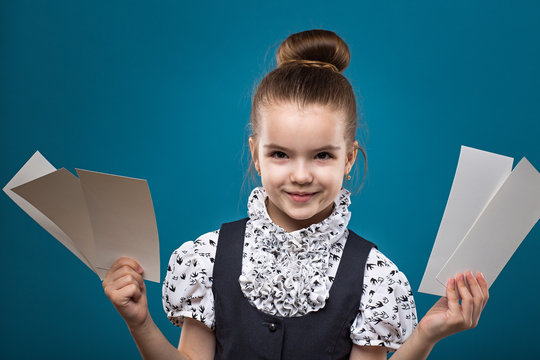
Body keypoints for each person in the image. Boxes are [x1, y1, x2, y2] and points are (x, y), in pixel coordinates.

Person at [102, 29, 489, 360]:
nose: (300, 176)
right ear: (256, 155)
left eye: (322, 155)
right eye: (280, 154)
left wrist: (427, 335)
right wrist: (139, 322)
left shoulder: (375, 279)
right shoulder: (208, 258)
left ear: (349, 158)